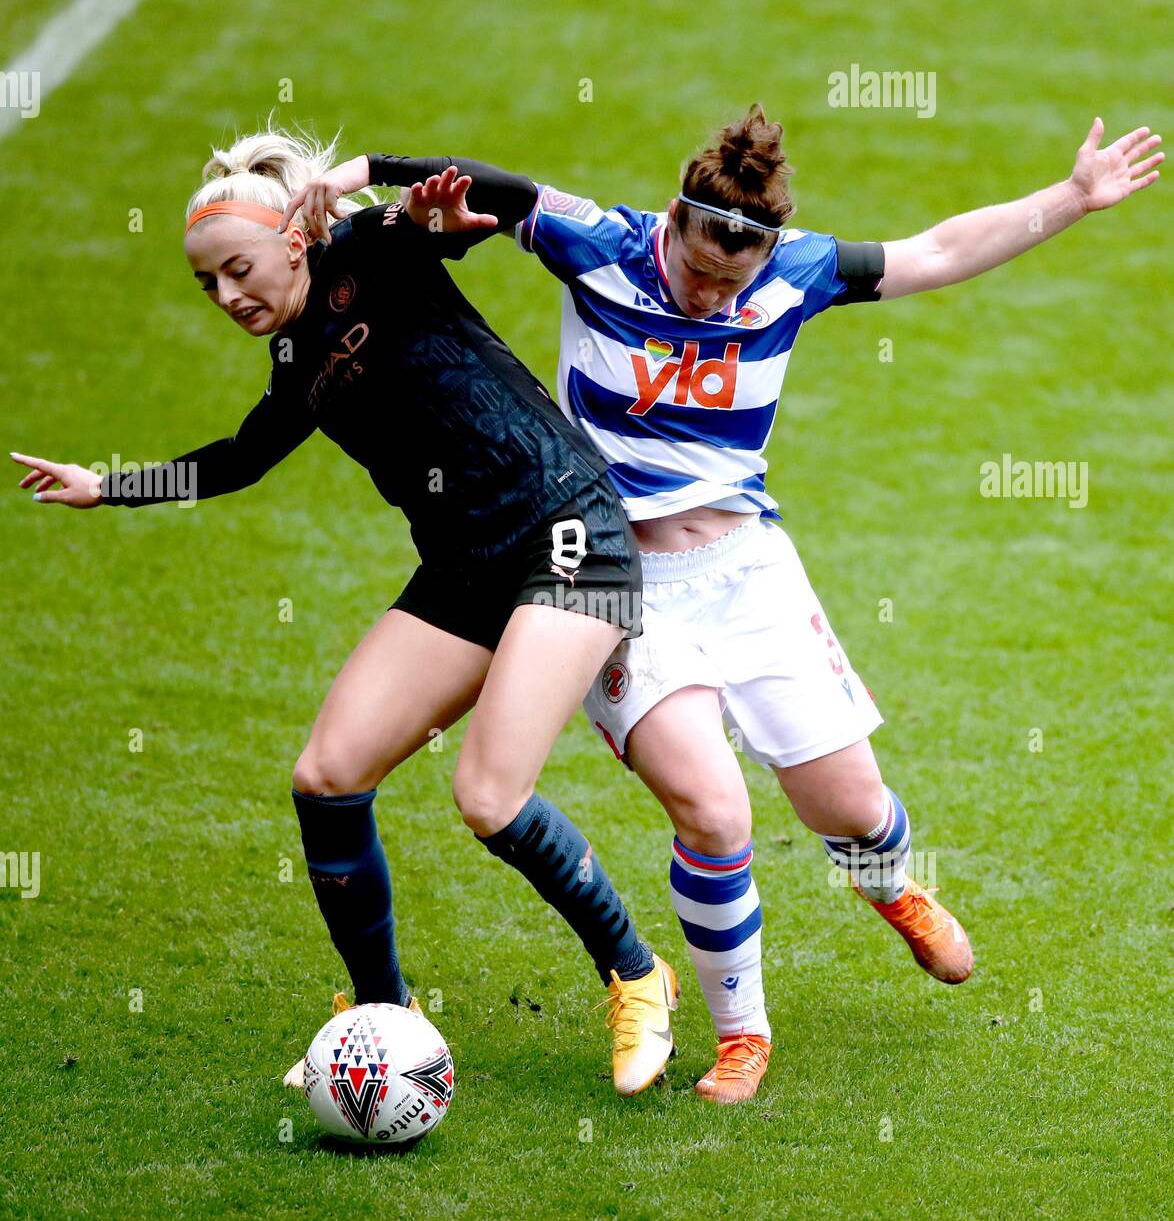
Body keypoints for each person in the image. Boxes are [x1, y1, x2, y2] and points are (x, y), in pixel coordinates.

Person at [290, 104, 1161, 1103]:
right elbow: (490, 183)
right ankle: (741, 1035)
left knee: (848, 806)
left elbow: (934, 249)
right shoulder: (602, 243)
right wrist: (359, 167)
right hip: (609, 578)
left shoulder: (794, 270)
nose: (711, 293)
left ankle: (886, 882)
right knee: (713, 810)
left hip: (747, 571)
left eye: (731, 281)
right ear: (674, 219)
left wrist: (1073, 197)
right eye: (701, 269)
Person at [9, 124, 684, 1098]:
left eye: (237, 269)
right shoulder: (295, 358)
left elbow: (501, 188)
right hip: (462, 569)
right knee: (327, 776)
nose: (228, 296)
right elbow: (238, 457)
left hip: (569, 532)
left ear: (293, 237)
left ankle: (634, 972)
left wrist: (371, 179)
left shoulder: (375, 247)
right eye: (208, 285)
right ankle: (385, 1012)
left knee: (488, 796)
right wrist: (106, 485)